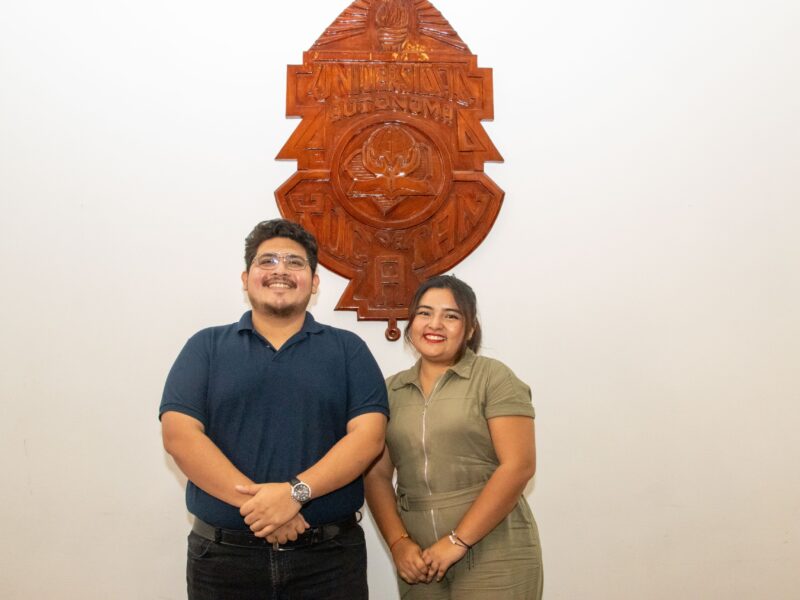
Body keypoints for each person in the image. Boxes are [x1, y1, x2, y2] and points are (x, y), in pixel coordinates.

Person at [160, 218, 388, 600]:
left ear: (314, 283)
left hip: (328, 563)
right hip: (223, 561)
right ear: (246, 277)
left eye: (295, 263)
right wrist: (267, 508)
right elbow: (180, 436)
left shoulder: (349, 350)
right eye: (268, 261)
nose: (280, 270)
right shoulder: (206, 347)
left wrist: (295, 493)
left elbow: (369, 438)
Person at [364, 275, 543, 599]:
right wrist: (398, 544)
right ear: (410, 322)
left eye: (451, 315)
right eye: (424, 313)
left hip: (495, 549)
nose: (435, 324)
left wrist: (457, 541)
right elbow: (376, 475)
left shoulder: (494, 378)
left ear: (470, 329)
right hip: (419, 560)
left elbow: (518, 466)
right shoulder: (389, 390)